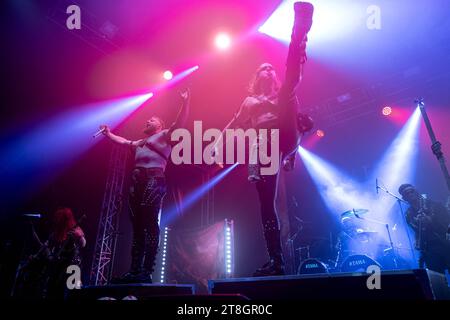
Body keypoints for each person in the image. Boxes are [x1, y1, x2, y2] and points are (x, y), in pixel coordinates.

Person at [218, 2, 314, 276]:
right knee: (266, 206)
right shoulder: (248, 101)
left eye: (272, 68)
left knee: (291, 82)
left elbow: (293, 120)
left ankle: (299, 32)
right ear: (256, 76)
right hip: (264, 149)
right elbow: (234, 124)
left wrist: (294, 148)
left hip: (284, 135)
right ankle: (277, 260)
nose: (269, 71)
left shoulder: (281, 94)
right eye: (264, 69)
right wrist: (216, 143)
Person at [100, 89, 190, 283]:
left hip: (153, 180)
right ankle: (134, 270)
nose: (147, 121)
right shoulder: (140, 142)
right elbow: (123, 142)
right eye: (147, 120)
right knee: (138, 227)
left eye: (152, 120)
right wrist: (108, 134)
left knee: (150, 225)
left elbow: (179, 123)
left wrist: (185, 102)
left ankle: (147, 270)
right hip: (136, 182)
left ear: (160, 125)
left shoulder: (165, 135)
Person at [14, 207, 86, 299]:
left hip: (73, 267)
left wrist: (78, 235)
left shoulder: (75, 229)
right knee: (54, 292)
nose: (56, 221)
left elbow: (83, 243)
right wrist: (36, 255)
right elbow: (46, 245)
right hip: (59, 267)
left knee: (72, 294)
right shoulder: (55, 233)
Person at [398, 183, 450, 273]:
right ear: (404, 198)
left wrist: (431, 221)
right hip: (429, 249)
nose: (410, 194)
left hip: (445, 244)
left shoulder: (435, 205)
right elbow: (417, 230)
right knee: (437, 278)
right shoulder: (409, 214)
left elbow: (446, 223)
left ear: (416, 192)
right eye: (407, 193)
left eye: (412, 191)